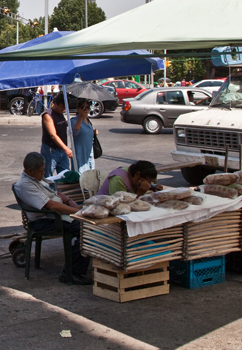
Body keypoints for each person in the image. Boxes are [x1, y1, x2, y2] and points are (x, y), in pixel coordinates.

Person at [14, 152, 92, 285]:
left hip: (55, 215)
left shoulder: (37, 179)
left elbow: (56, 194)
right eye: (41, 171)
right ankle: (71, 273)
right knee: (86, 229)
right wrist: (78, 212)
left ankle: (75, 268)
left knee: (88, 227)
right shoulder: (25, 185)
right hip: (44, 221)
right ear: (30, 171)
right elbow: (52, 206)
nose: (43, 173)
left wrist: (70, 201)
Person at [40, 94, 73, 177]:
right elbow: (53, 135)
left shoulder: (61, 113)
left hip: (62, 150)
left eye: (65, 107)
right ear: (55, 104)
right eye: (62, 107)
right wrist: (66, 149)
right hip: (51, 150)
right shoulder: (48, 115)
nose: (64, 109)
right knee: (48, 176)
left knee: (66, 175)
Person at [97, 160, 162, 196]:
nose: (147, 184)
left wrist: (153, 187)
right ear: (137, 174)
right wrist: (140, 194)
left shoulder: (135, 176)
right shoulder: (118, 179)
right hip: (104, 207)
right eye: (146, 181)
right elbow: (120, 205)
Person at [70, 101, 98, 172]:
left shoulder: (88, 120)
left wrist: (94, 132)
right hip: (80, 152)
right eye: (82, 108)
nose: (85, 110)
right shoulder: (74, 120)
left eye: (87, 108)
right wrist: (81, 118)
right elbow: (76, 131)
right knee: (80, 173)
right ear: (78, 109)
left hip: (89, 152)